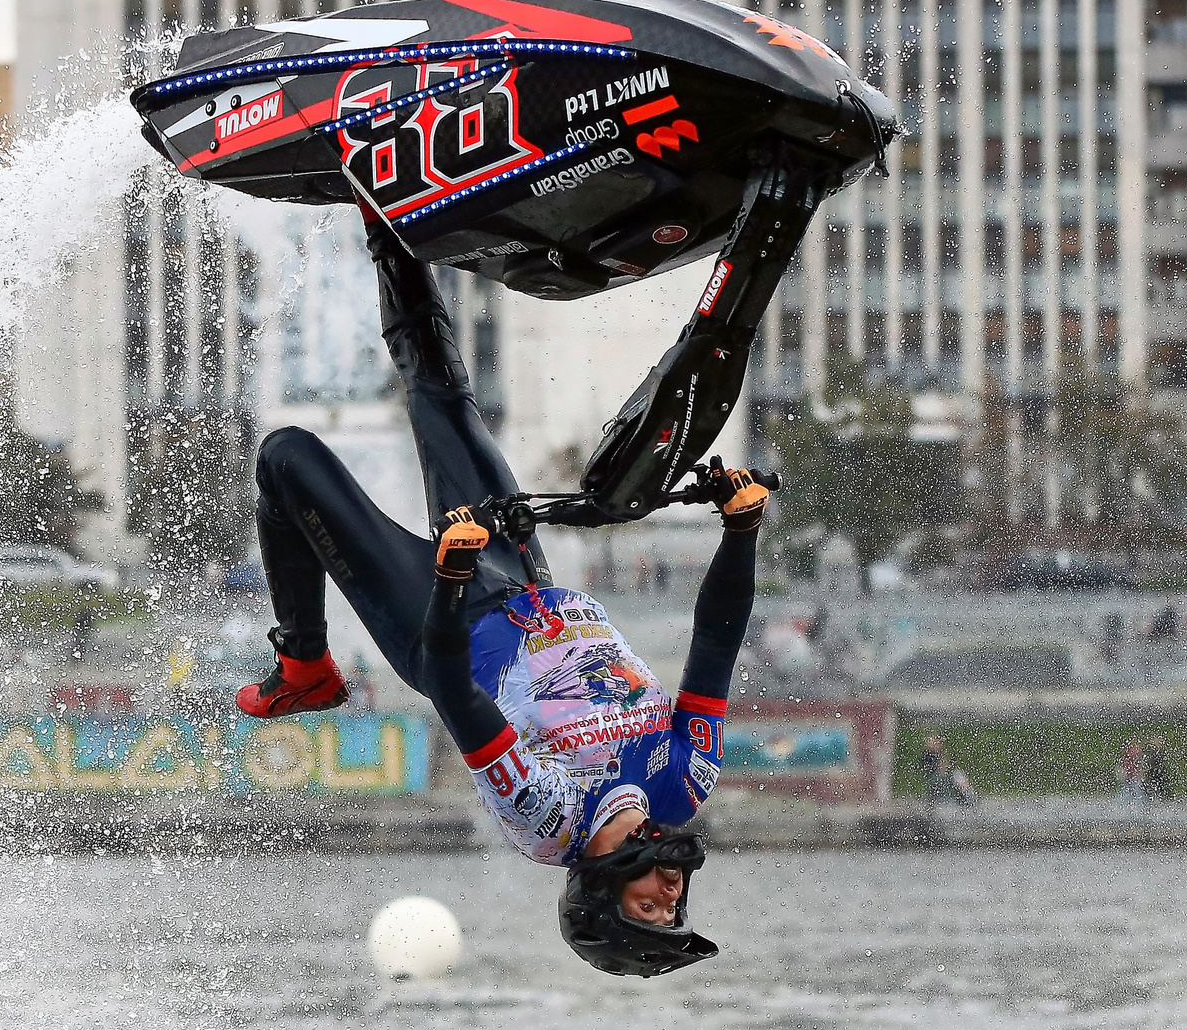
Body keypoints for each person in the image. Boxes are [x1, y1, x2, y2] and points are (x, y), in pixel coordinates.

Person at [233, 219, 783, 978]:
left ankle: (303, 665)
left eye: (652, 909)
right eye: (676, 906)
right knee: (441, 386)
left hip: (443, 622)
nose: (672, 890)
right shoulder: (684, 780)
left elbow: (458, 696)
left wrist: (453, 584)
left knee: (285, 458)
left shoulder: (548, 820)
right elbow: (717, 638)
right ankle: (388, 212)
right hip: (524, 574)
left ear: (599, 892)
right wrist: (741, 528)